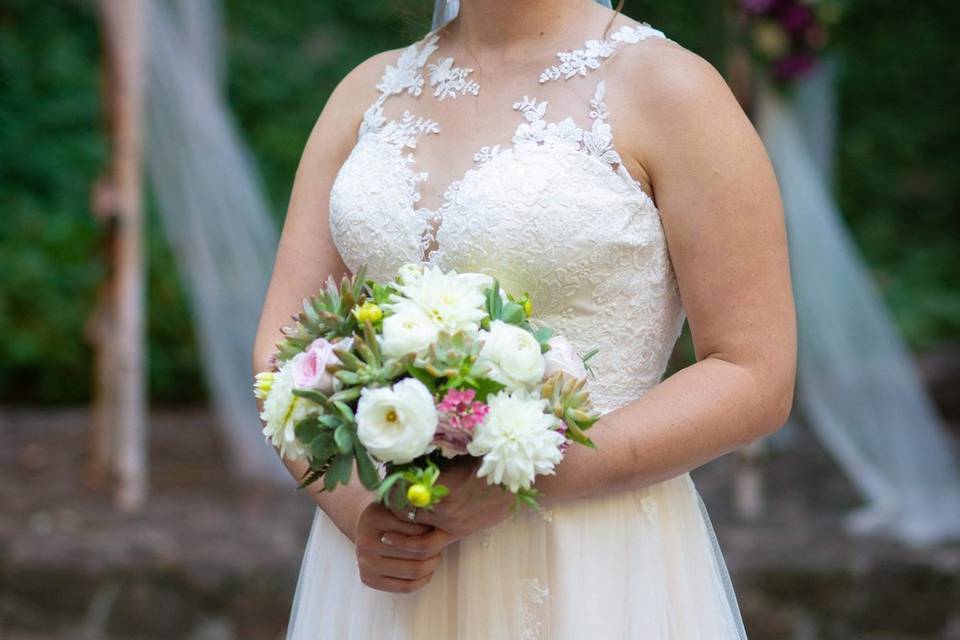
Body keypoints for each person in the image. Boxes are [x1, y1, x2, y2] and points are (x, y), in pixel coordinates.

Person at [252, 0, 796, 637]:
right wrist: (361, 515)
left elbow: (754, 372)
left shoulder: (670, 88)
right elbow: (283, 354)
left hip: (590, 562)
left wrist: (524, 480)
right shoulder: (365, 91)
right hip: (389, 572)